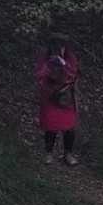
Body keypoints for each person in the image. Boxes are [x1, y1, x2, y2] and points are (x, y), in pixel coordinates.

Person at [36, 34, 80, 165]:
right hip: (50, 96)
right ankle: (48, 153)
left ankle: (68, 154)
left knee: (69, 127)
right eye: (56, 45)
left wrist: (63, 65)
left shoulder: (70, 57)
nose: (59, 48)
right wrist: (50, 67)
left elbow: (73, 74)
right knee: (51, 126)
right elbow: (39, 75)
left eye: (61, 45)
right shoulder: (45, 57)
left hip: (65, 97)